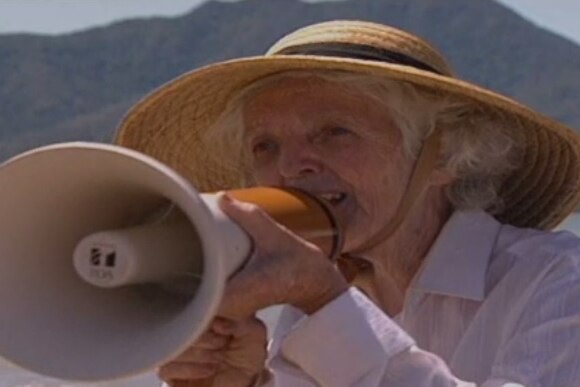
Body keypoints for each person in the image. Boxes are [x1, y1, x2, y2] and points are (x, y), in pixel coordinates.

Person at [115, 20, 580, 386]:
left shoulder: (557, 279)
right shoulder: (312, 304)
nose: (292, 167)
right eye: (265, 146)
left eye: (334, 132)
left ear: (445, 155)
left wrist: (326, 302)